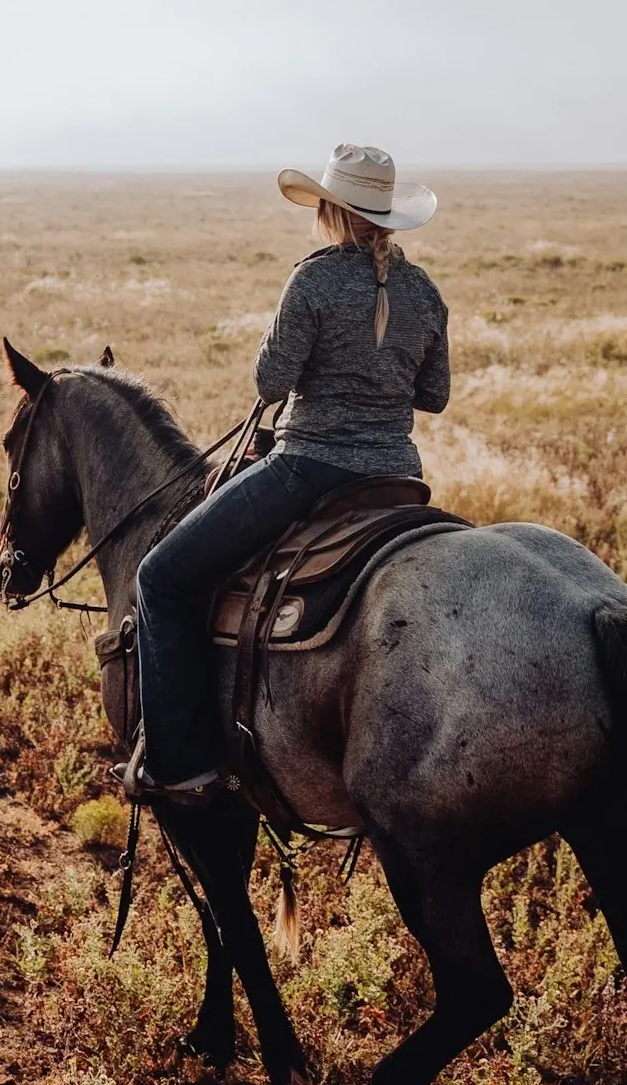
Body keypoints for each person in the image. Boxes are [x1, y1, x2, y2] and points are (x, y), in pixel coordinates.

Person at [124, 143, 452, 805]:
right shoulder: (424, 291)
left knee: (159, 578)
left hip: (309, 468)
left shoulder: (315, 280)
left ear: (331, 209)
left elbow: (270, 382)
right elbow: (434, 394)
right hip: (398, 479)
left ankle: (181, 767)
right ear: (385, 215)